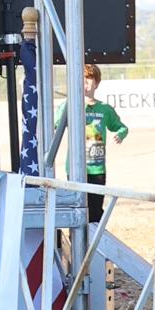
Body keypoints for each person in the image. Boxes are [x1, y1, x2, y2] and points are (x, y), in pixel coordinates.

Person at [61, 59, 129, 223]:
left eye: (89, 80)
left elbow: (121, 127)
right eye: (81, 80)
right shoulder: (70, 105)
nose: (85, 84)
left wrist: (120, 134)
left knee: (96, 209)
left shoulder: (104, 109)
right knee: (76, 209)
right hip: (75, 167)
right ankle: (77, 238)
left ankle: (95, 236)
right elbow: (56, 123)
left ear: (96, 83)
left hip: (97, 168)